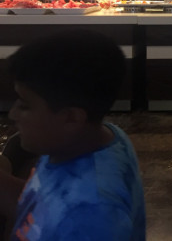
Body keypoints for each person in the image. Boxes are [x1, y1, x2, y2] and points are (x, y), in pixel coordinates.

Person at [0, 30, 146, 239]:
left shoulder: (91, 218)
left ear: (71, 118)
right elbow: (44, 204)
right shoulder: (97, 139)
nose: (13, 114)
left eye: (25, 105)